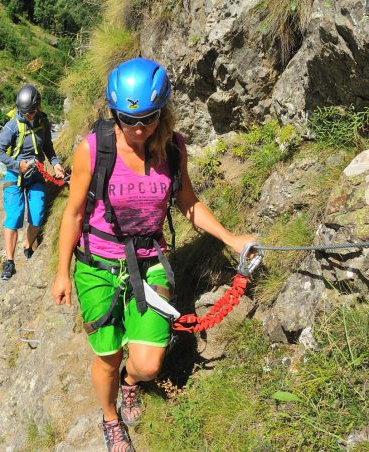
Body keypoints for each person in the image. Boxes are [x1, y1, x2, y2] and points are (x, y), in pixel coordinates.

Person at [50, 57, 256, 451]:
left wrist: (229, 238)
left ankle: (131, 384)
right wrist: (63, 272)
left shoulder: (173, 149)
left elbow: (189, 204)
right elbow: (73, 213)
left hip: (148, 262)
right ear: (115, 114)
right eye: (130, 120)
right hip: (97, 266)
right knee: (108, 357)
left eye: (149, 117)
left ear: (163, 112)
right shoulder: (93, 150)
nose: (139, 128)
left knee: (146, 364)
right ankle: (109, 418)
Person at [0, 85, 65, 281]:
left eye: (32, 112)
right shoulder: (12, 126)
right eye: (25, 113)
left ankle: (27, 246)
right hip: (14, 176)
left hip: (36, 175)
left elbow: (48, 147)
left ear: (38, 108)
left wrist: (56, 164)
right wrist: (17, 164)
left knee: (38, 215)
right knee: (14, 216)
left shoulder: (43, 122)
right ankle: (9, 262)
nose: (29, 116)